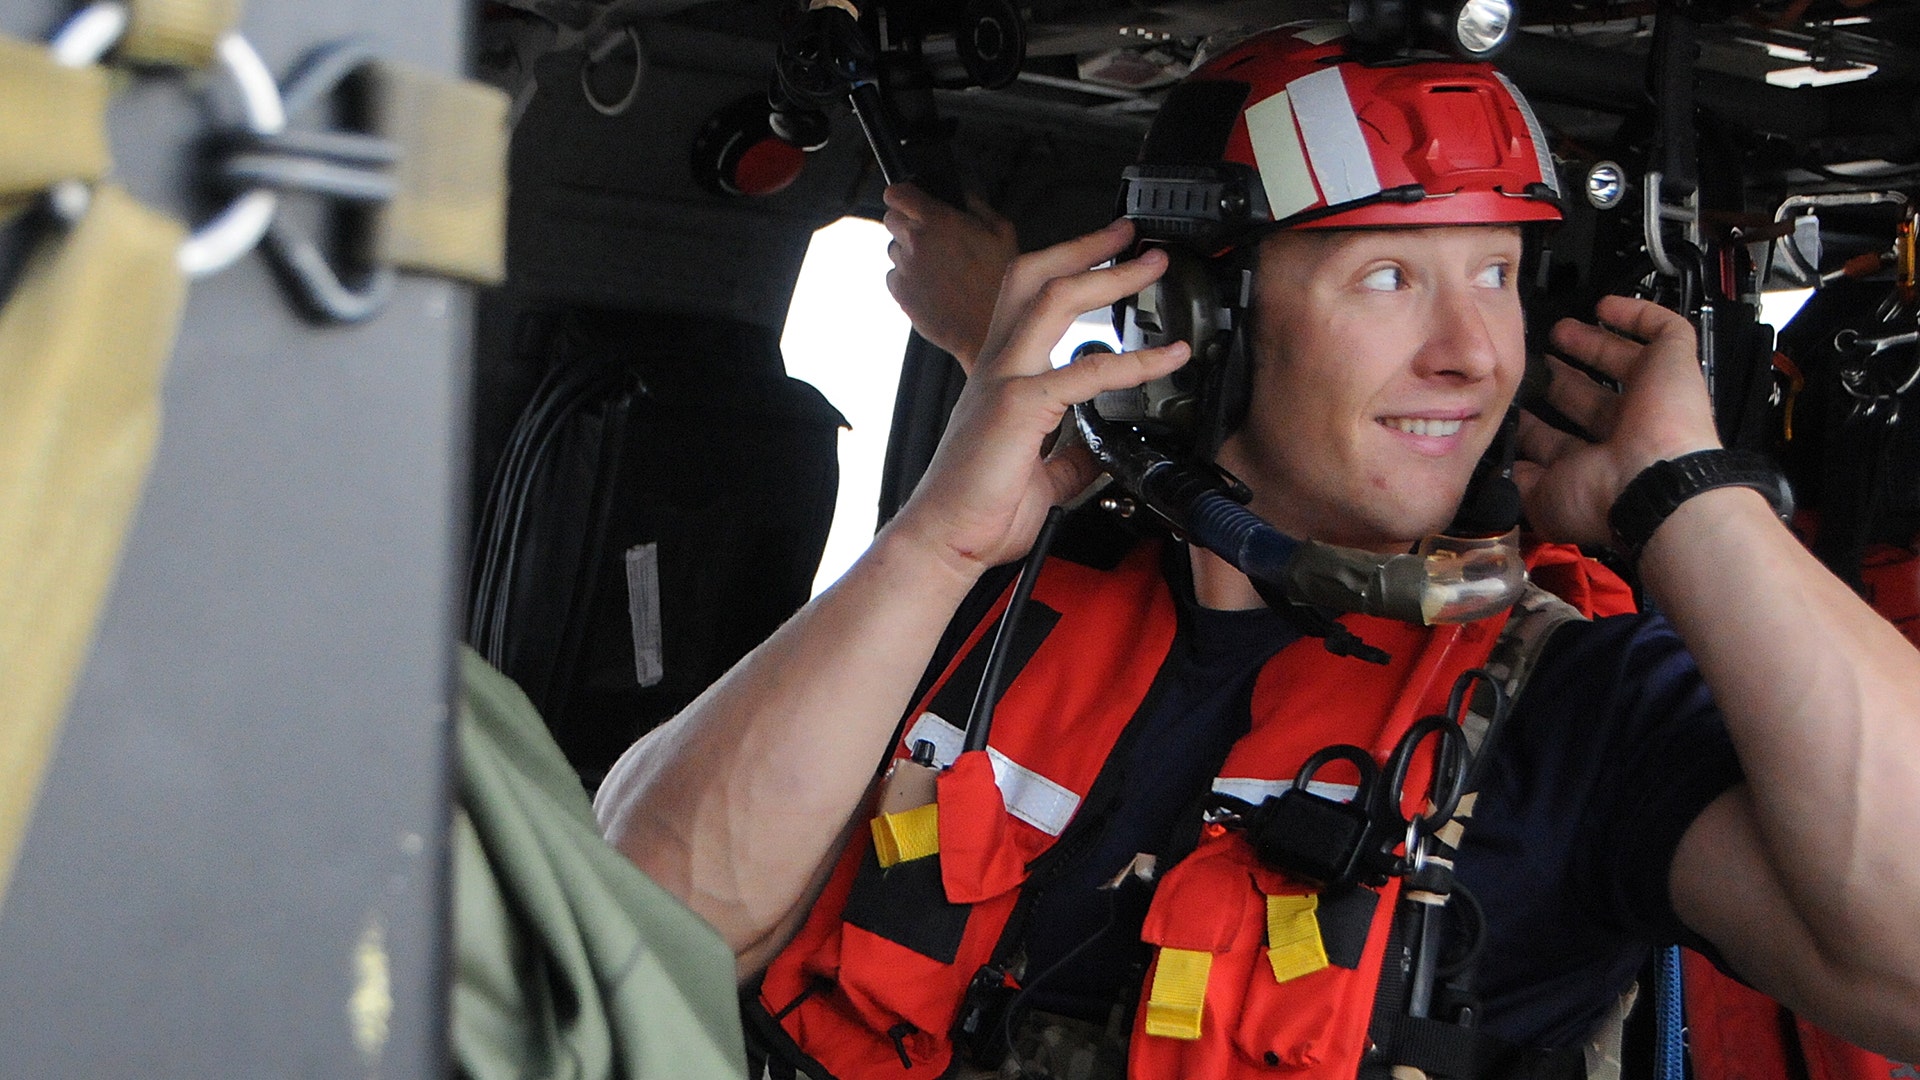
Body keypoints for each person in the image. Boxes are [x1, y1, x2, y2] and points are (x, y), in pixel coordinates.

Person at [591, 23, 1920, 1080]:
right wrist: (937, 543)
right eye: (1389, 279)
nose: (1471, 352)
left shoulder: (1578, 706)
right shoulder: (987, 612)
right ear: (1205, 322)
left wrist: (1689, 503)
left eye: (1499, 276)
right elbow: (628, 938)